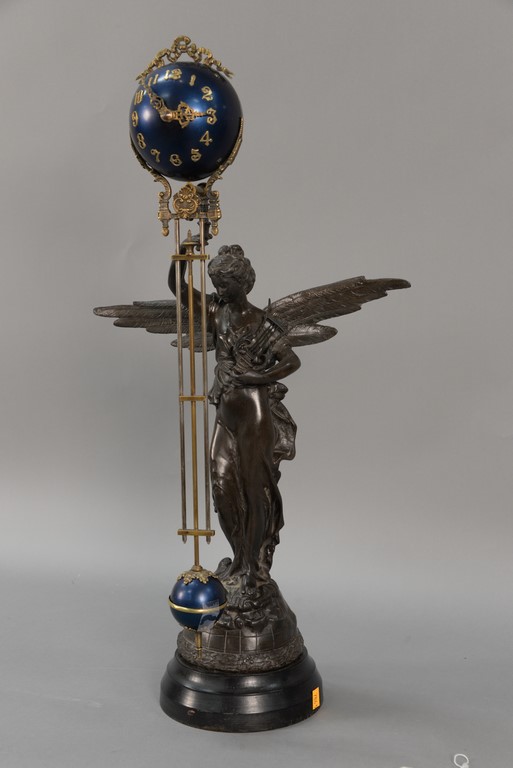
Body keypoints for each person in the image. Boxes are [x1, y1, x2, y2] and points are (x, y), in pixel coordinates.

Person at [169, 243, 300, 590]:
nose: (218, 289)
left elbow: (291, 361)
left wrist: (258, 377)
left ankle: (253, 569)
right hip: (225, 411)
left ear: (242, 283)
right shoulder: (217, 310)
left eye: (224, 283)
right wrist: (181, 257)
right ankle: (239, 557)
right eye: (215, 283)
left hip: (254, 414)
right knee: (222, 484)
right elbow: (178, 289)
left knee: (254, 491)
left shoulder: (262, 323)